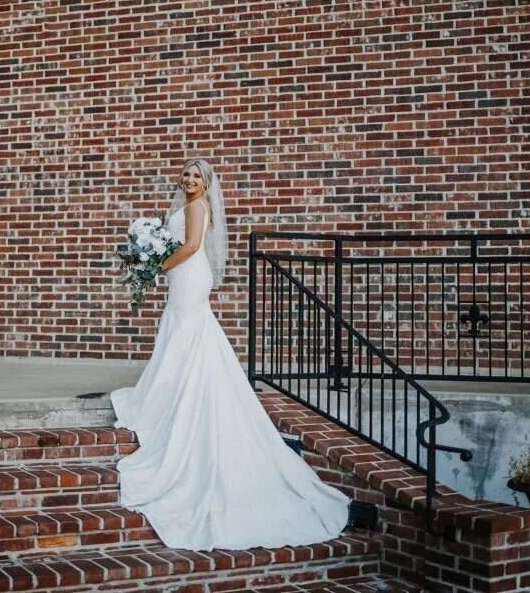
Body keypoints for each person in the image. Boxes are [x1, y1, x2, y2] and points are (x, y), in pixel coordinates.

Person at [110, 158, 350, 550]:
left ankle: (169, 398)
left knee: (186, 332)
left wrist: (155, 265)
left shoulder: (197, 207)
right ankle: (172, 392)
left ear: (206, 184)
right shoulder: (185, 206)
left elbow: (189, 247)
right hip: (186, 277)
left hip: (188, 276)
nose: (189, 180)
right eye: (186, 174)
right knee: (184, 334)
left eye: (197, 176)